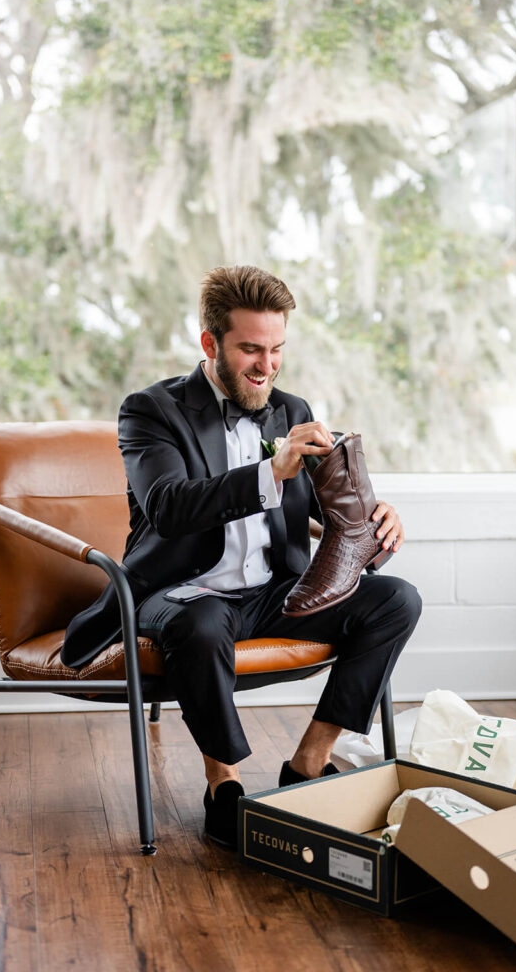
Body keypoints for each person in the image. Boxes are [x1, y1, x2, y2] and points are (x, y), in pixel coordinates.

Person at [61, 264, 421, 848]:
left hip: (275, 590)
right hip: (183, 591)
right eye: (251, 349)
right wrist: (268, 471)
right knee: (201, 625)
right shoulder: (151, 411)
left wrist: (374, 523)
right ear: (211, 343)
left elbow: (330, 514)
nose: (267, 366)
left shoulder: (291, 409)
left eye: (277, 349)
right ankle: (222, 785)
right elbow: (169, 507)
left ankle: (307, 764)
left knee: (397, 600)